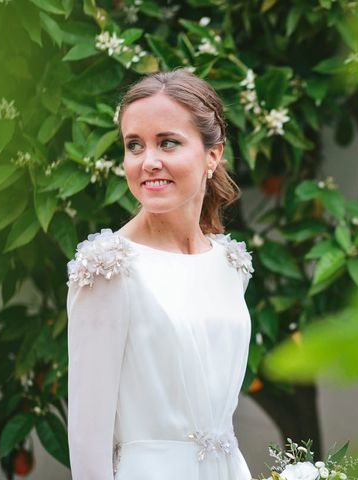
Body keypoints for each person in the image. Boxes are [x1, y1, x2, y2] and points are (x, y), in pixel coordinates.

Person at [65, 69, 254, 480]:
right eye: (135, 145)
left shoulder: (229, 264)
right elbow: (86, 439)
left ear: (213, 155)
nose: (148, 162)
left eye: (167, 142)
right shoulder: (108, 268)